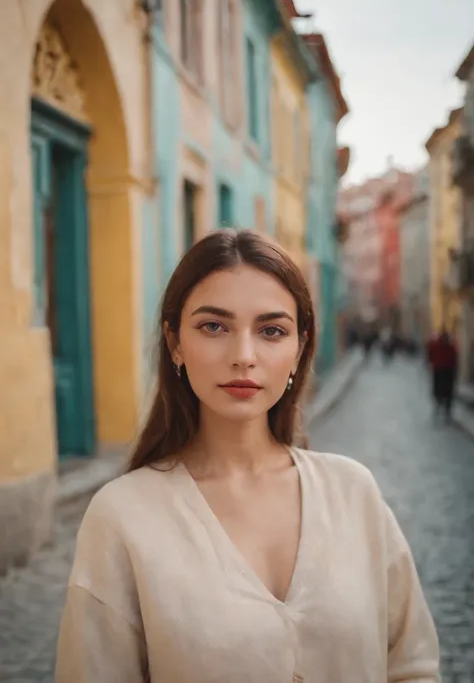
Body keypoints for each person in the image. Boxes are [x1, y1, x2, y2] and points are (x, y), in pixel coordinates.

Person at [55, 229, 440, 683]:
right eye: (213, 326)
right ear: (175, 342)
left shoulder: (353, 493)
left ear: (299, 349)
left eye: (272, 331)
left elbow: (413, 668)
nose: (243, 356)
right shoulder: (123, 516)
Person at [427, 328, 459, 421]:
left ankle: (441, 406)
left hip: (441, 370)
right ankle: (444, 409)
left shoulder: (436, 344)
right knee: (446, 391)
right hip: (445, 371)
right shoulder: (450, 346)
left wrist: (430, 363)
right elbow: (454, 358)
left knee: (441, 390)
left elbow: (430, 354)